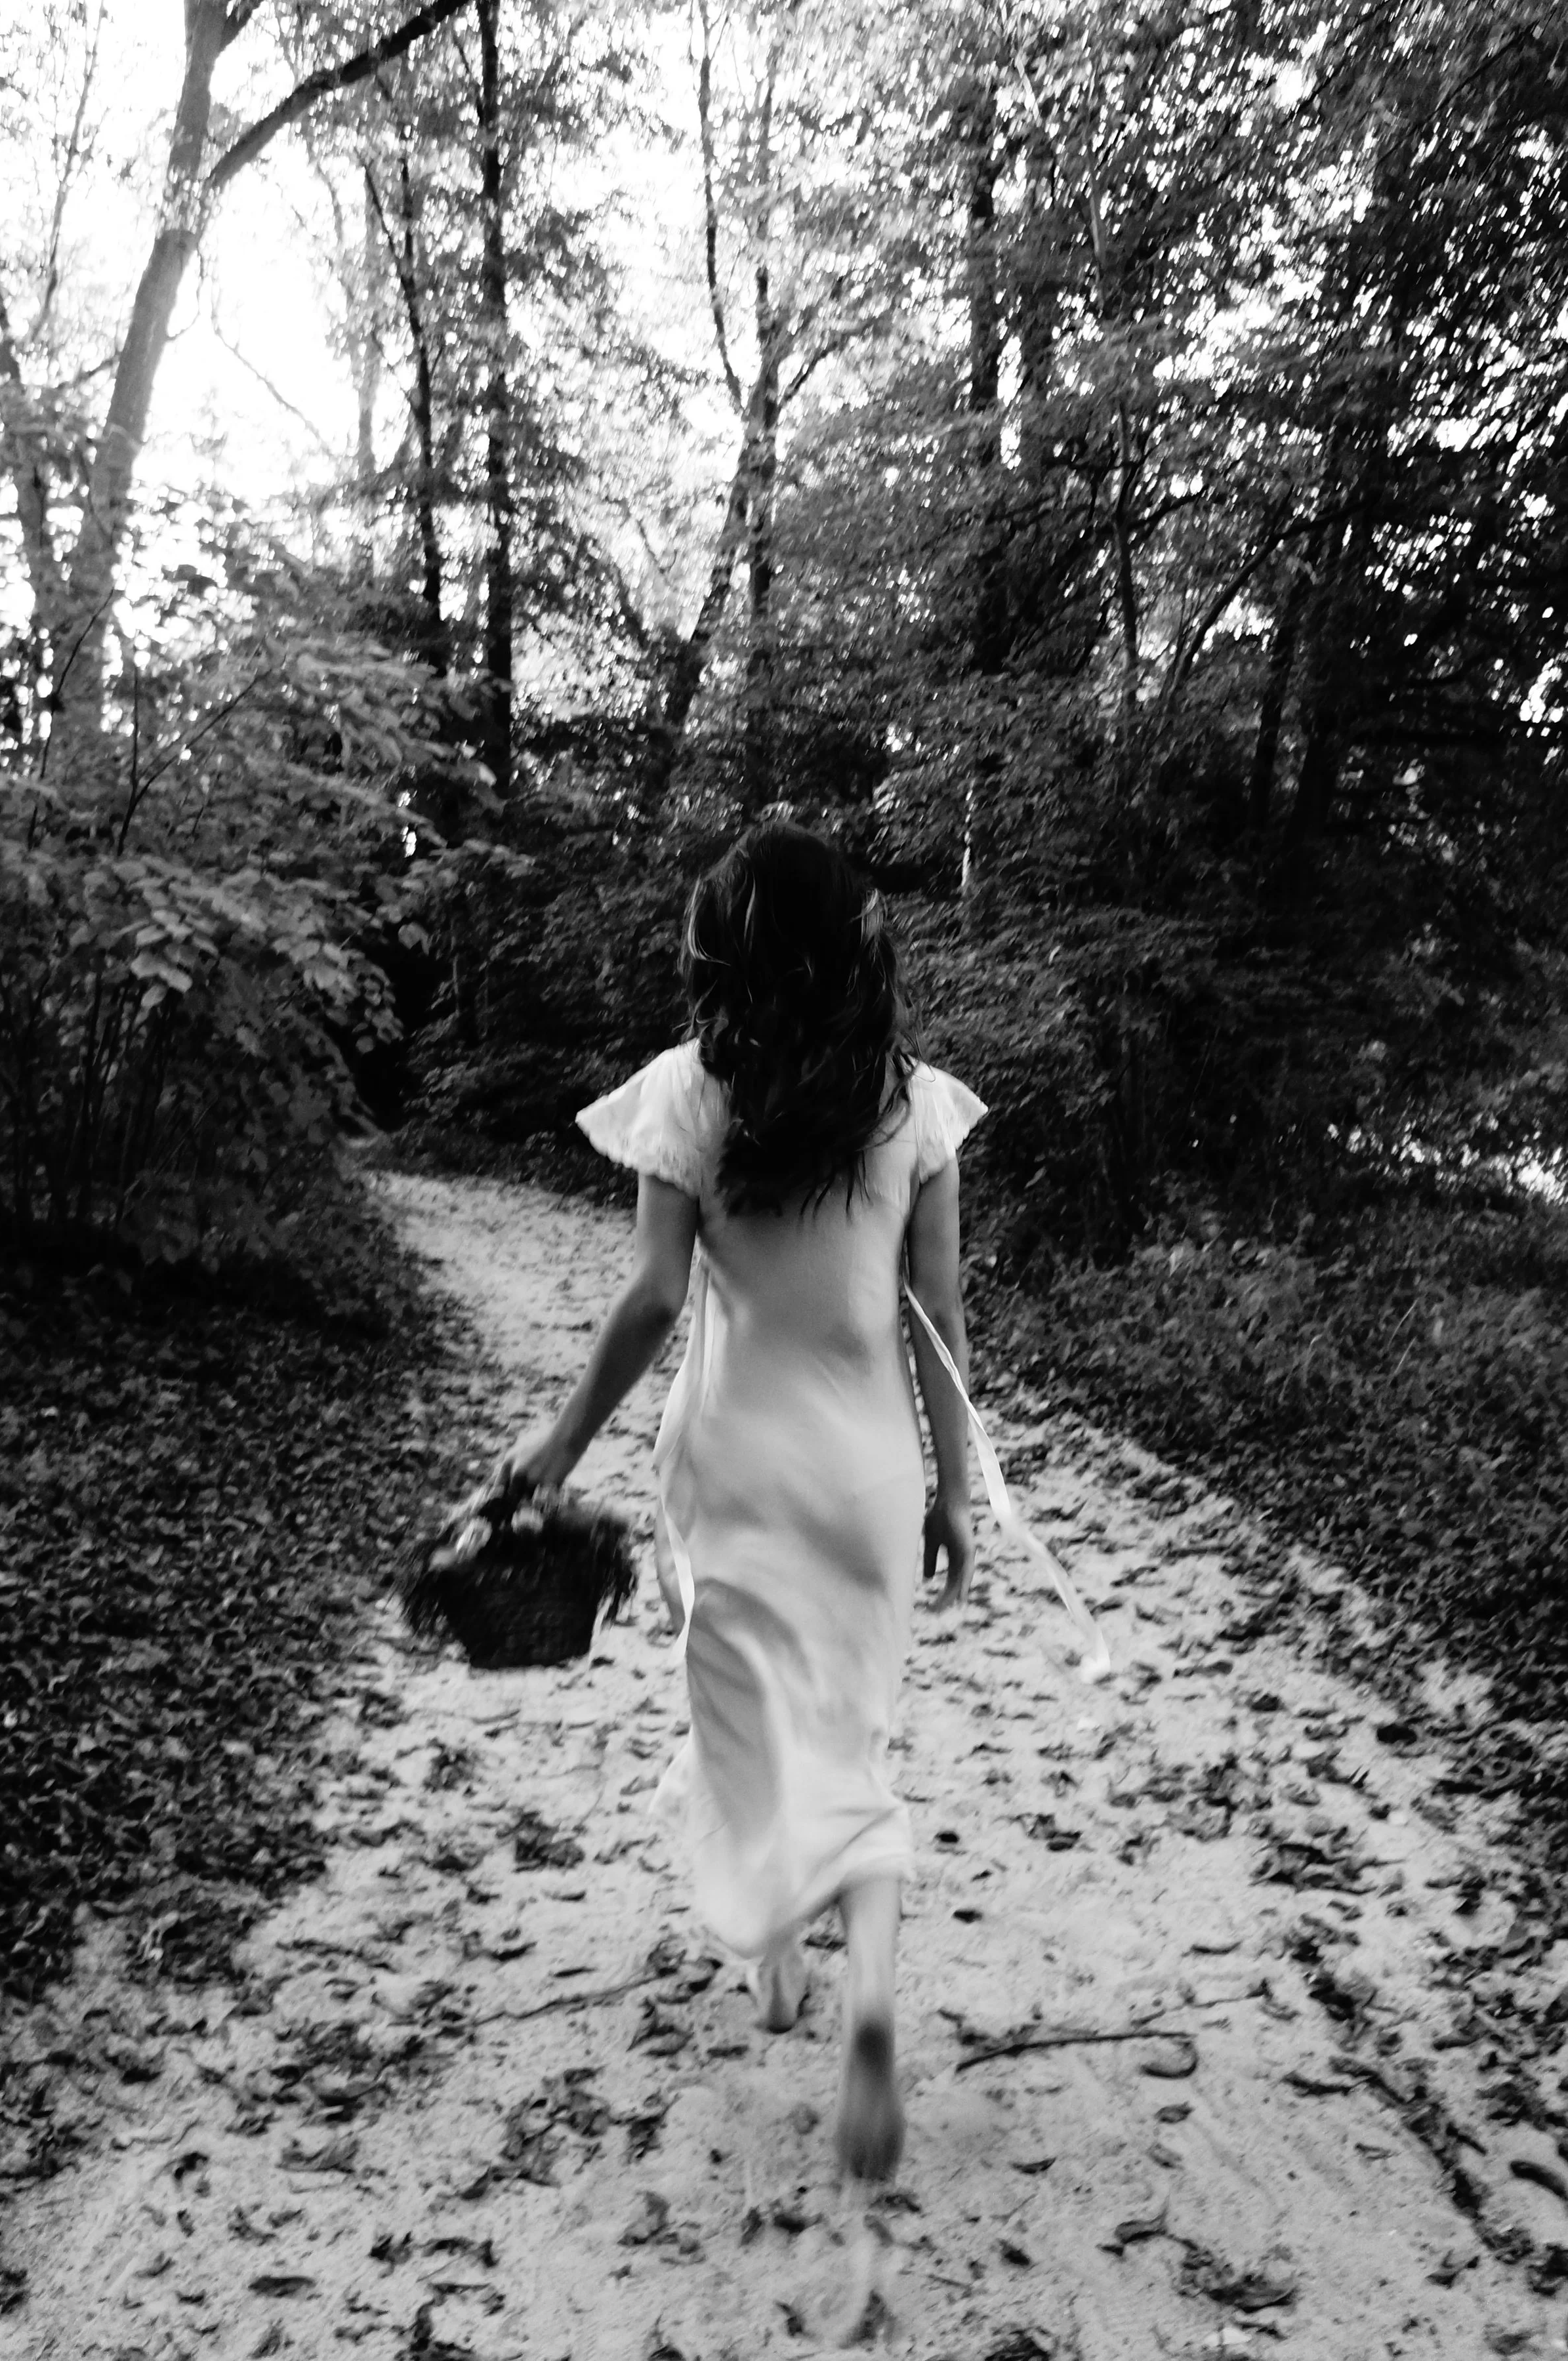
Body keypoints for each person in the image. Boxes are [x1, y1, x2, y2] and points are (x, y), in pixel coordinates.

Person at [495, 821, 986, 2181]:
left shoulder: (685, 1094)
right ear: (852, 949)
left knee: (745, 1735)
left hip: (731, 1467)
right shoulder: (914, 1106)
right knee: (853, 1736)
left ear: (725, 950)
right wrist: (952, 1493)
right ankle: (868, 1996)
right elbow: (935, 1318)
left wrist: (558, 1442)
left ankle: (771, 1950)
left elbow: (656, 1298)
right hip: (867, 1471)